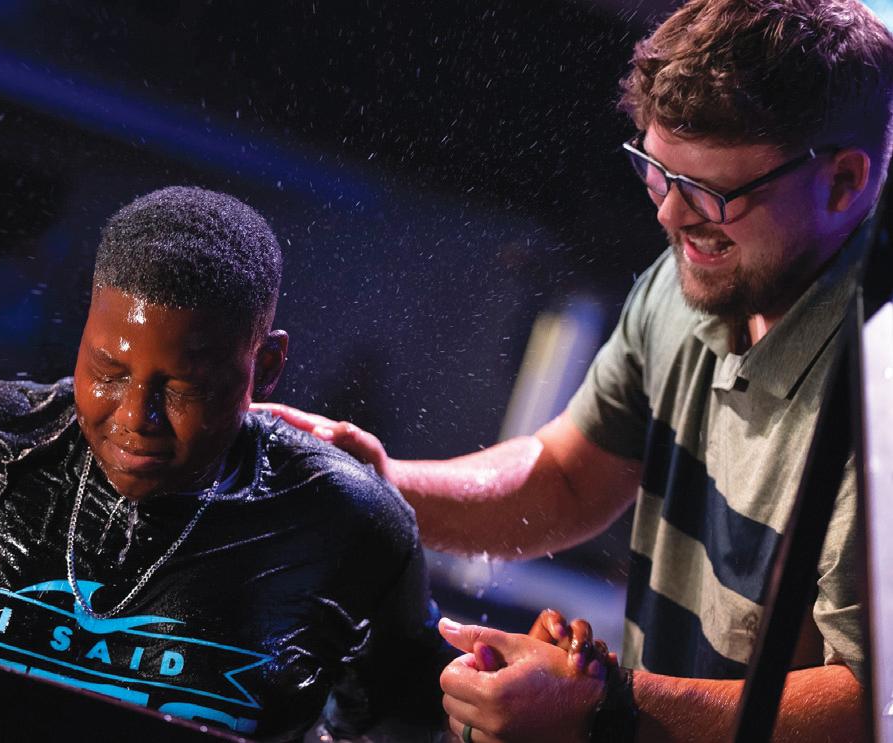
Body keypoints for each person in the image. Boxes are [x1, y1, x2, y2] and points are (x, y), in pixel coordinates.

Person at [257, 0, 893, 740]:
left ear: (842, 182)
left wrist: (607, 704)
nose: (670, 216)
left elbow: (874, 702)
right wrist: (378, 488)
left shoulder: (877, 387)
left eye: (712, 193)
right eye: (657, 173)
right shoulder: (689, 283)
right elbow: (567, 475)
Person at [0, 186, 449, 741]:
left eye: (183, 388)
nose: (136, 416)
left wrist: (482, 720)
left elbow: (410, 725)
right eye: (108, 371)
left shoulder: (345, 523)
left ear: (266, 366)